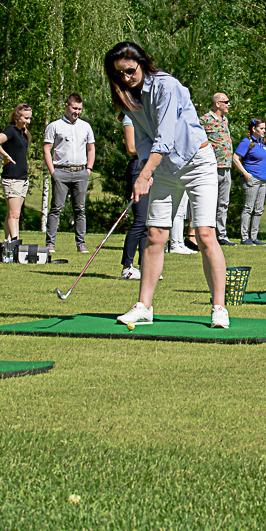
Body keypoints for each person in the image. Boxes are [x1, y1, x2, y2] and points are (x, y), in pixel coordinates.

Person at [104, 41, 230, 328]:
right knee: (156, 234)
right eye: (119, 74)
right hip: (165, 168)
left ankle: (219, 308)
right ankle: (144, 306)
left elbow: (166, 136)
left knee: (205, 233)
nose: (126, 78)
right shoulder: (128, 96)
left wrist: (145, 174)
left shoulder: (166, 86)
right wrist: (148, 170)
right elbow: (145, 139)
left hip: (197, 161)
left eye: (130, 71)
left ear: (142, 64)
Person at [43, 94, 95, 254]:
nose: (77, 112)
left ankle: (81, 244)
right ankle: (50, 243)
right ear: (66, 106)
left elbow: (91, 148)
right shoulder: (55, 126)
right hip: (61, 172)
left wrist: (89, 169)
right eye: (74, 108)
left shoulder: (85, 126)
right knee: (56, 208)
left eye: (79, 109)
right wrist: (53, 172)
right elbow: (47, 149)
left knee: (80, 209)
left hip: (80, 172)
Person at [0, 104, 31, 242]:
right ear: (17, 116)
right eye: (25, 118)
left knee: (13, 214)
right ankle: (15, 243)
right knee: (14, 214)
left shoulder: (22, 132)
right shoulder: (11, 130)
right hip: (12, 177)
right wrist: (5, 155)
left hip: (22, 177)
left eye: (29, 119)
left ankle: (8, 243)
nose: (28, 122)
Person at [199, 93, 234, 244]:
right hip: (211, 167)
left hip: (226, 167)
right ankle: (207, 234)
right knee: (209, 202)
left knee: (223, 203)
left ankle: (222, 235)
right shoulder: (205, 120)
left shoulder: (225, 120)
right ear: (217, 104)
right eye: (226, 102)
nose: (229, 104)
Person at [118, 113, 147, 280]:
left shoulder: (148, 116)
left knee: (148, 222)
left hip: (150, 168)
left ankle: (145, 266)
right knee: (140, 220)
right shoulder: (130, 117)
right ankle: (127, 267)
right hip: (137, 168)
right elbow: (131, 147)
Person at [233, 118, 266, 245]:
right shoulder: (247, 142)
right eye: (261, 128)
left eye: (265, 128)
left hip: (262, 181)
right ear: (254, 129)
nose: (264, 131)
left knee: (259, 209)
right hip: (251, 180)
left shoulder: (262, 144)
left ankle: (254, 237)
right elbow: (235, 158)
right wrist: (246, 174)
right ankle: (244, 238)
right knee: (248, 208)